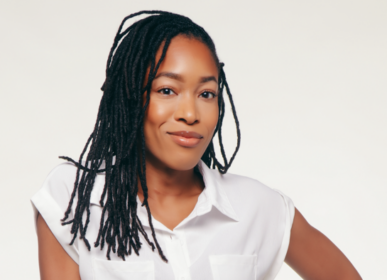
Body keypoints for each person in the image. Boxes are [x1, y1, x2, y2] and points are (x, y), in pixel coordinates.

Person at [31, 10, 362, 280]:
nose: (190, 114)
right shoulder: (71, 199)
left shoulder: (260, 208)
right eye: (167, 91)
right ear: (131, 96)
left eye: (206, 94)